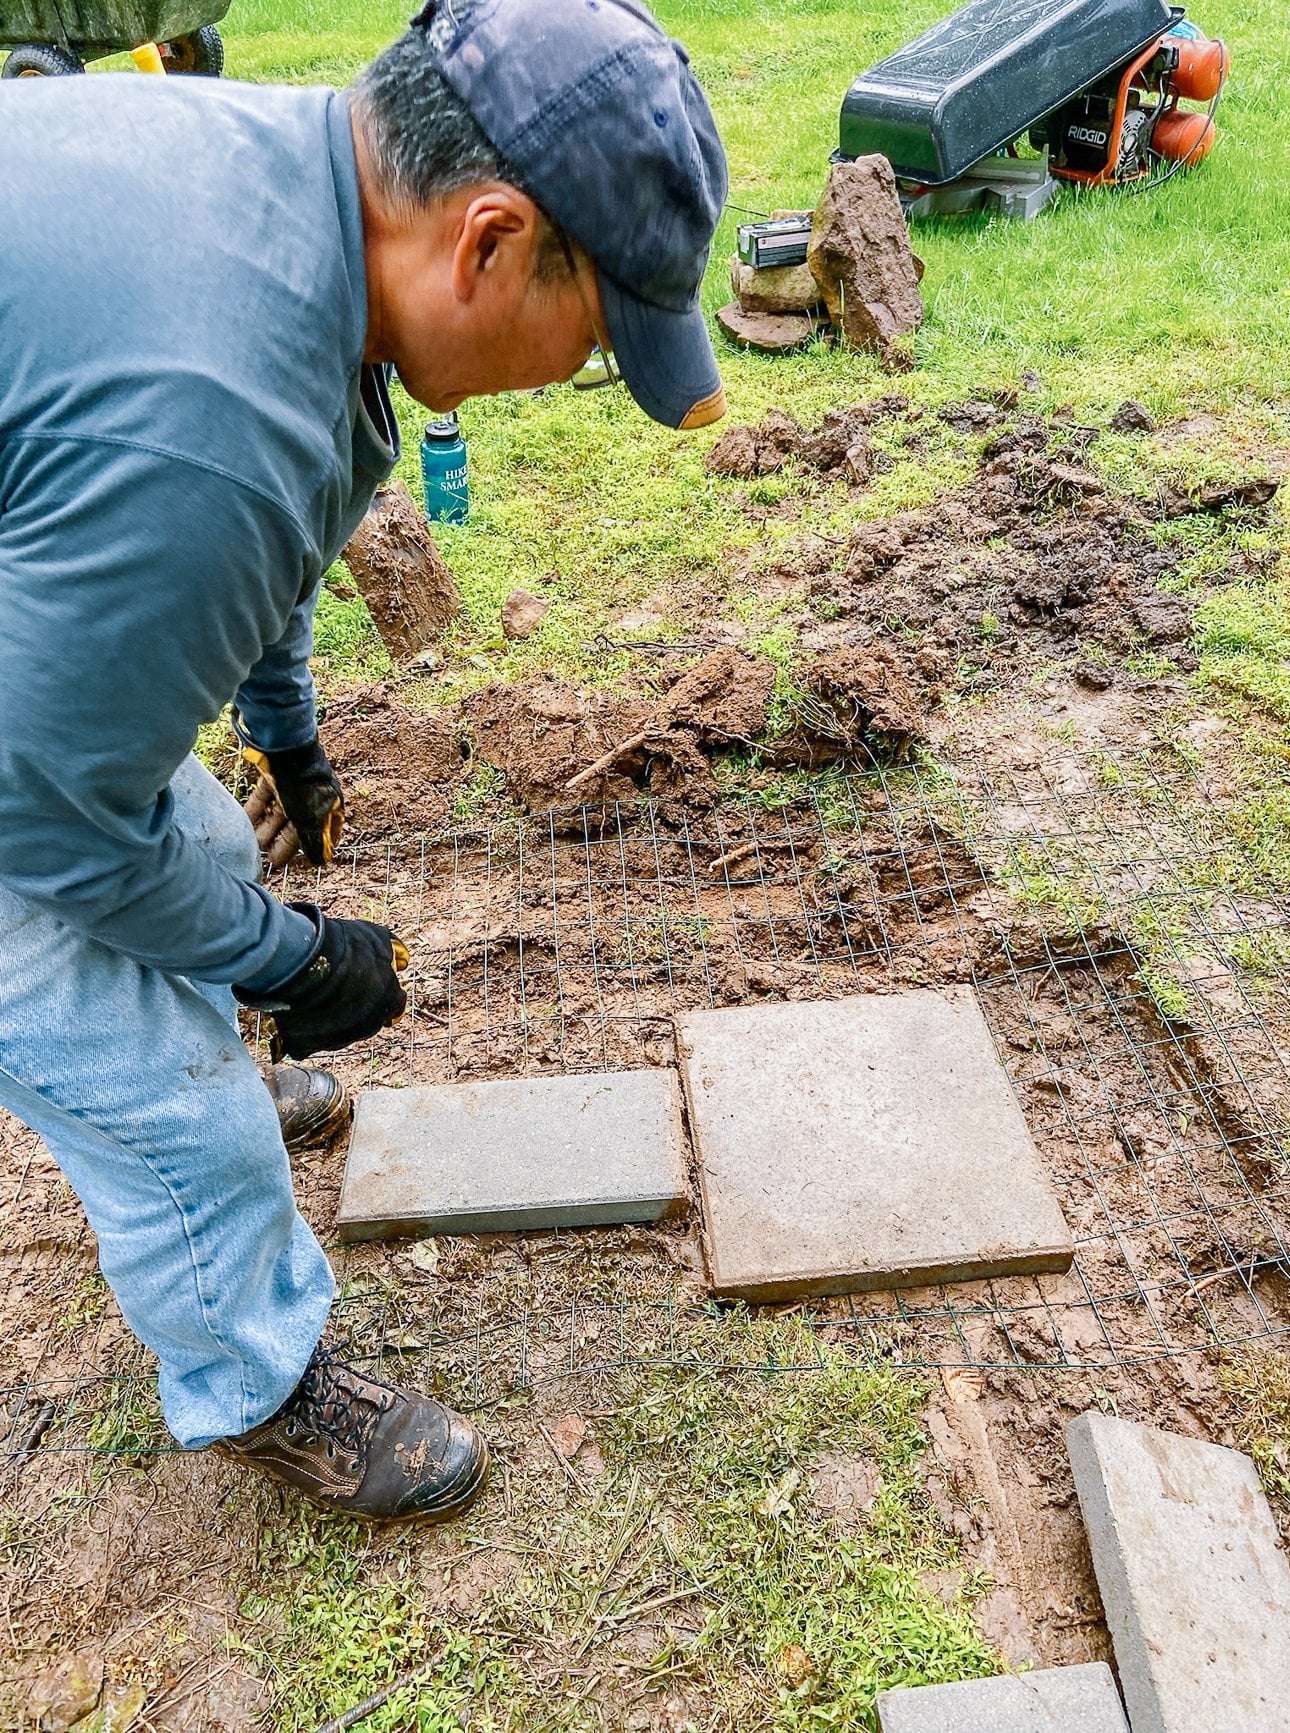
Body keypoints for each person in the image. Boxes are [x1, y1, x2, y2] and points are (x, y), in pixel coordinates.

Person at [0, 0, 727, 1523]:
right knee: (131, 1060)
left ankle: (218, 1082)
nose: (569, 374)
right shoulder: (217, 414)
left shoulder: (288, 193)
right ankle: (256, 1374)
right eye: (593, 342)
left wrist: (287, 734)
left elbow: (255, 527)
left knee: (198, 842)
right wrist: (290, 960)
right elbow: (42, 817)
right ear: (488, 243)